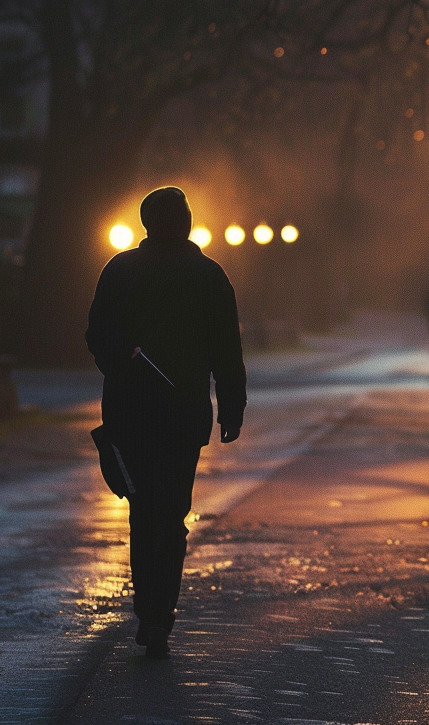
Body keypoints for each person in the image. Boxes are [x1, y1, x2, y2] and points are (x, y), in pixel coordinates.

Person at [86, 187, 246, 659]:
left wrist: (124, 363)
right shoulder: (210, 276)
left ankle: (147, 609)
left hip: (130, 412)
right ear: (188, 223)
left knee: (142, 512)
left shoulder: (118, 271)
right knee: (172, 515)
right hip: (184, 414)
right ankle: (161, 615)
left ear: (146, 223)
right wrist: (232, 408)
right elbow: (226, 351)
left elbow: (98, 335)